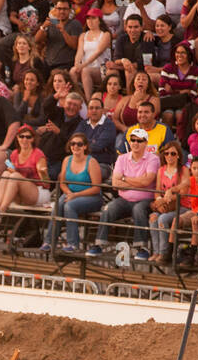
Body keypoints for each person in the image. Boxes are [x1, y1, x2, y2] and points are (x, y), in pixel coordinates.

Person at [88, 126, 158, 257]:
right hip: (124, 199)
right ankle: (98, 244)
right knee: (108, 208)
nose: (135, 143)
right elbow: (115, 183)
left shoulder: (153, 159)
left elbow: (146, 181)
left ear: (146, 143)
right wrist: (137, 181)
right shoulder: (122, 158)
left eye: (139, 140)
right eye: (133, 140)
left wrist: (125, 179)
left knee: (138, 209)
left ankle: (141, 248)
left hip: (146, 200)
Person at [43, 133, 104, 251]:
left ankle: (73, 244)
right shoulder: (67, 160)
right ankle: (49, 241)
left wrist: (75, 195)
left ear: (85, 147)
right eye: (73, 144)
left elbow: (96, 188)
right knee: (58, 205)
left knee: (69, 206)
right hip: (71, 193)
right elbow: (62, 183)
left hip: (92, 196)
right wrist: (69, 193)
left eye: (79, 144)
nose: (76, 146)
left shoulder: (92, 162)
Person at [0, 125, 53, 213]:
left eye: (28, 137)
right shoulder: (14, 154)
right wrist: (11, 170)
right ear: (17, 138)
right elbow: (12, 173)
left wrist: (43, 173)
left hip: (38, 192)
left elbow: (47, 184)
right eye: (21, 136)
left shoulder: (38, 154)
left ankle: (1, 211)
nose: (24, 140)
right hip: (20, 192)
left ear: (33, 139)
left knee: (15, 176)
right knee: (6, 174)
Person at [80, 95, 119, 168]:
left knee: (89, 174)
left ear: (103, 110)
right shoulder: (83, 124)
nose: (94, 110)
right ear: (87, 110)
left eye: (97, 108)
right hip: (82, 161)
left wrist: (83, 144)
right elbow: (74, 141)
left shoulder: (109, 125)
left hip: (102, 164)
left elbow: (98, 146)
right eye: (91, 108)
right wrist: (93, 141)